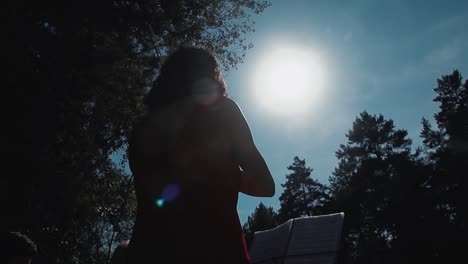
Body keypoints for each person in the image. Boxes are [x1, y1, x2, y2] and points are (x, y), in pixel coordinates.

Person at [126, 47, 275, 264]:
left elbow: (157, 193)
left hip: (149, 251)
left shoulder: (142, 128)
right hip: (218, 251)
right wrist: (225, 173)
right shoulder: (223, 112)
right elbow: (265, 186)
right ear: (211, 77)